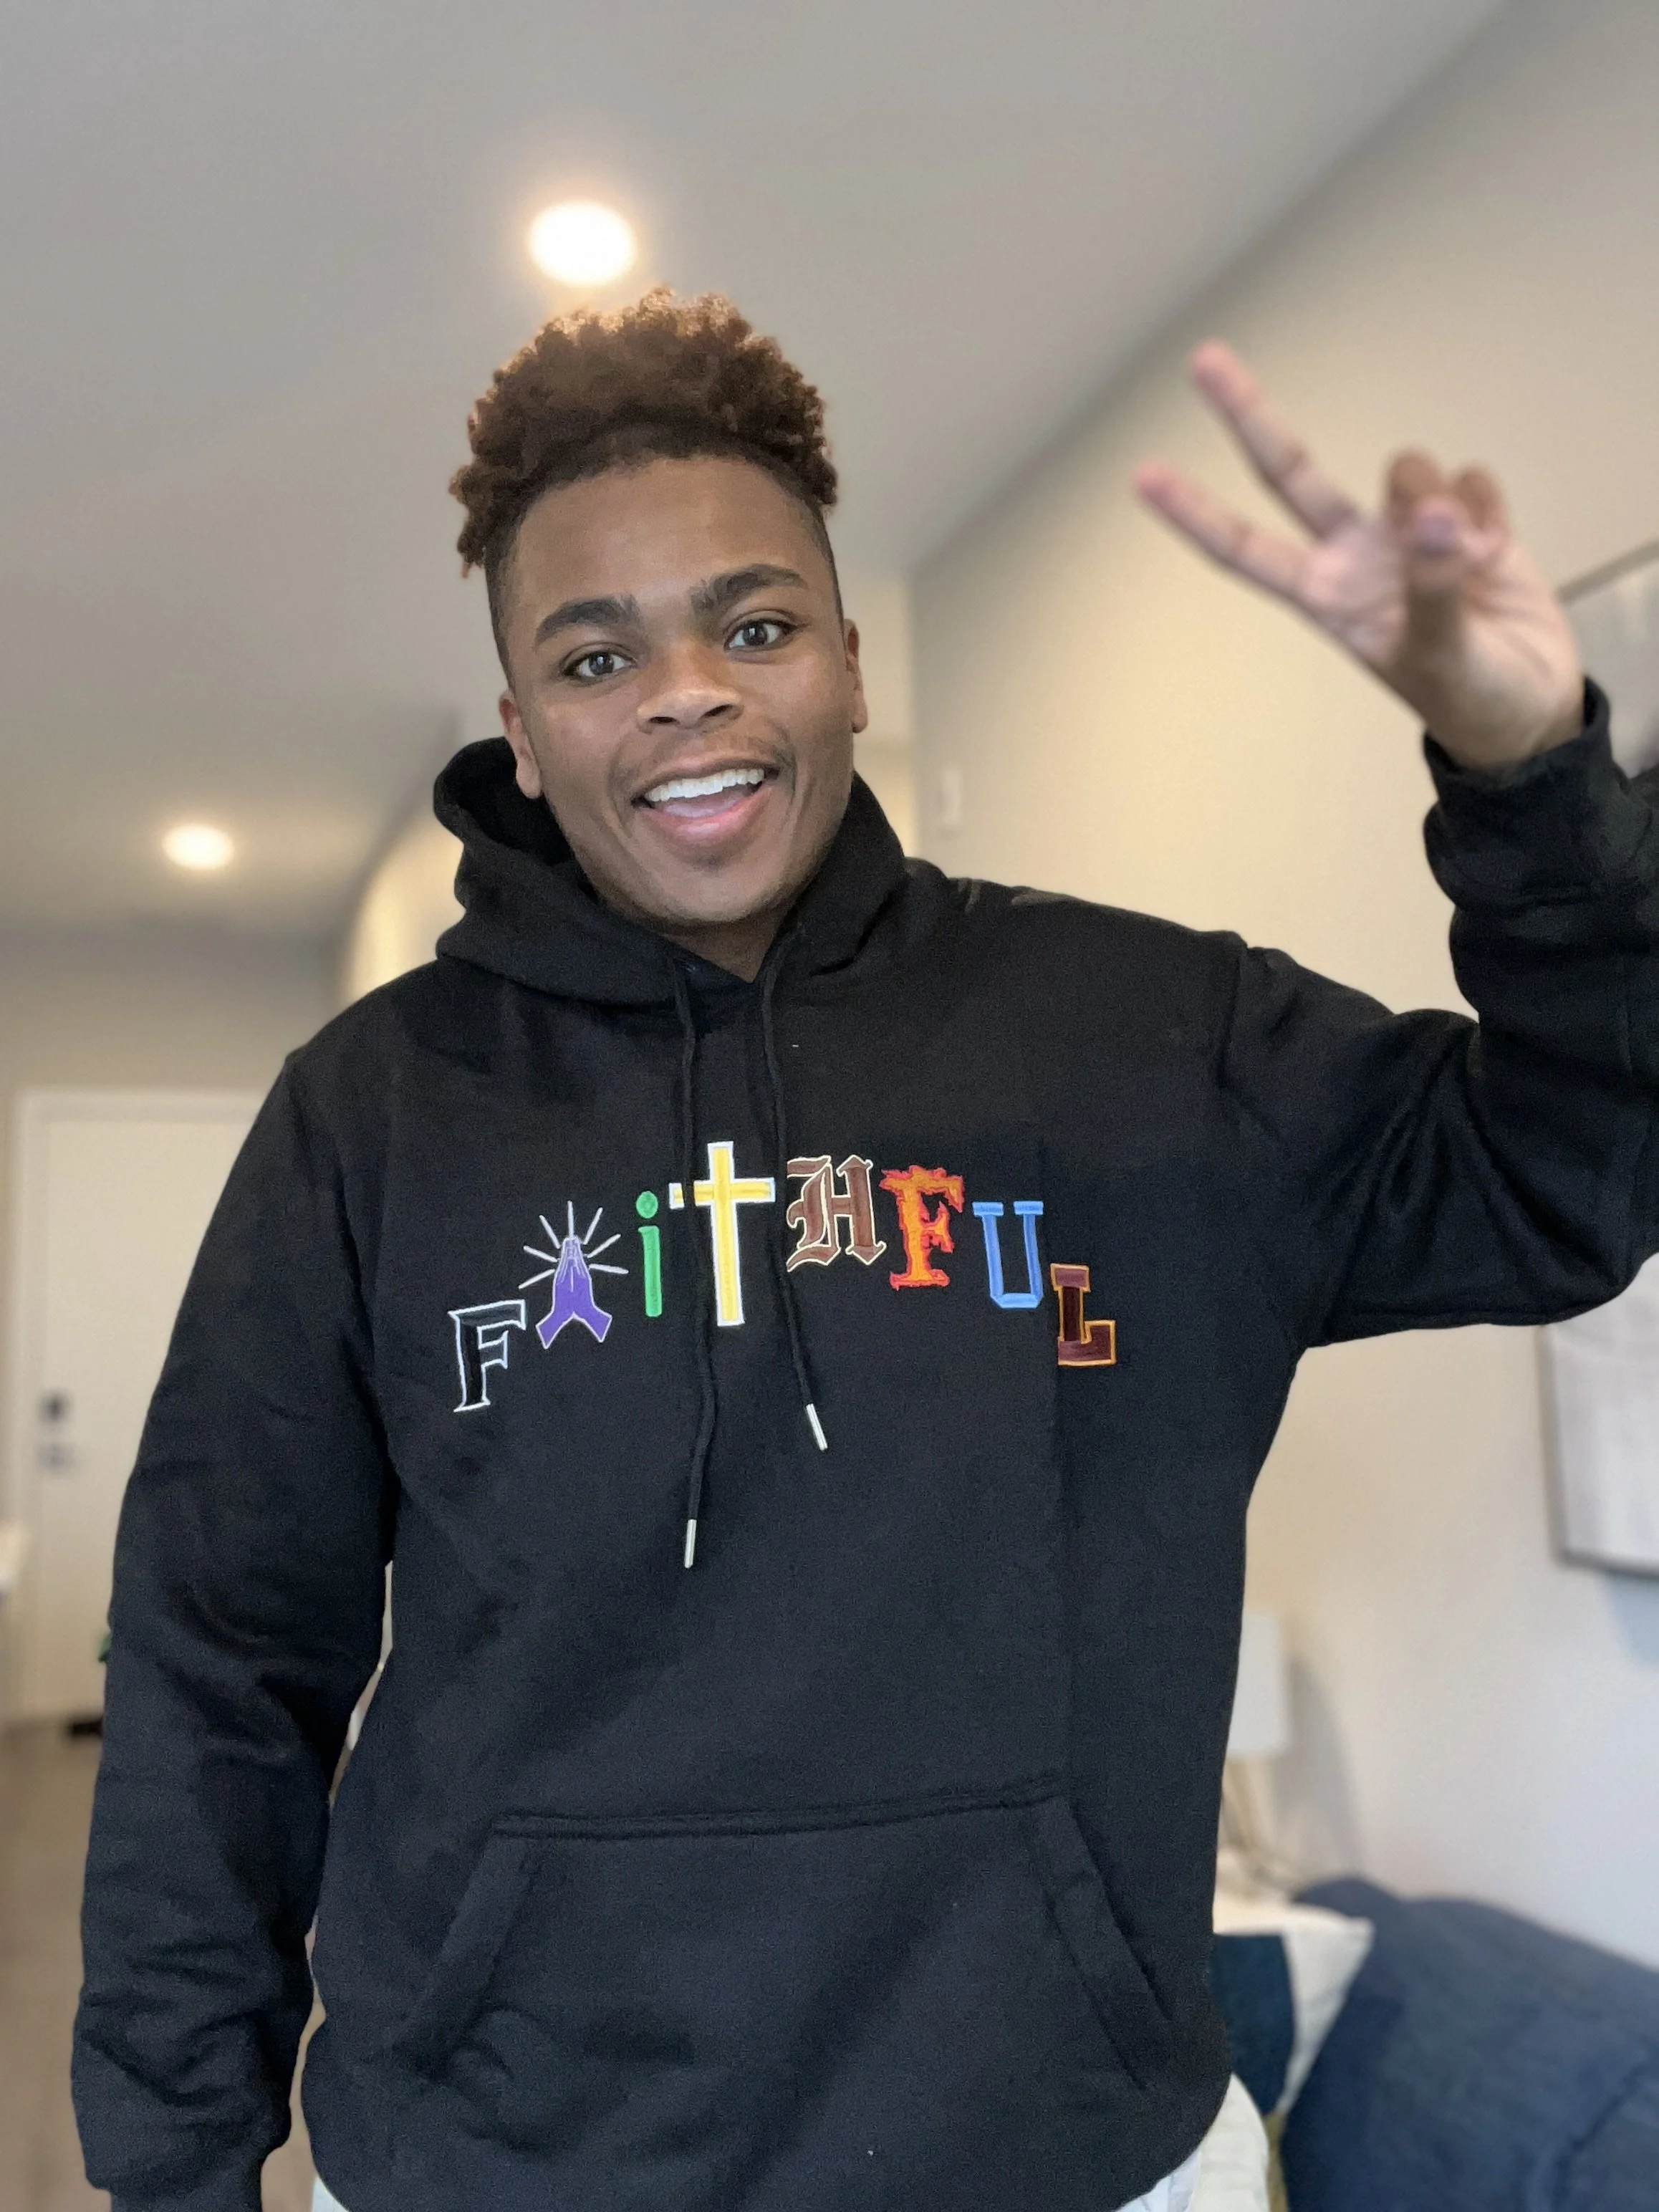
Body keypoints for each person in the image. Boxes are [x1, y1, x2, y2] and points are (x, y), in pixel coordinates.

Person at [72, 289, 1657, 2212]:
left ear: (844, 660)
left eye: (752, 625)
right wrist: (174, 2165)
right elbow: (220, 1664)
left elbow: (1568, 1175)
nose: (685, 692)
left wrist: (1529, 778)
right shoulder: (373, 1114)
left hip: (1073, 2161)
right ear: (518, 724)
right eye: (595, 652)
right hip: (495, 2169)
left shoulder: (1149, 1039)